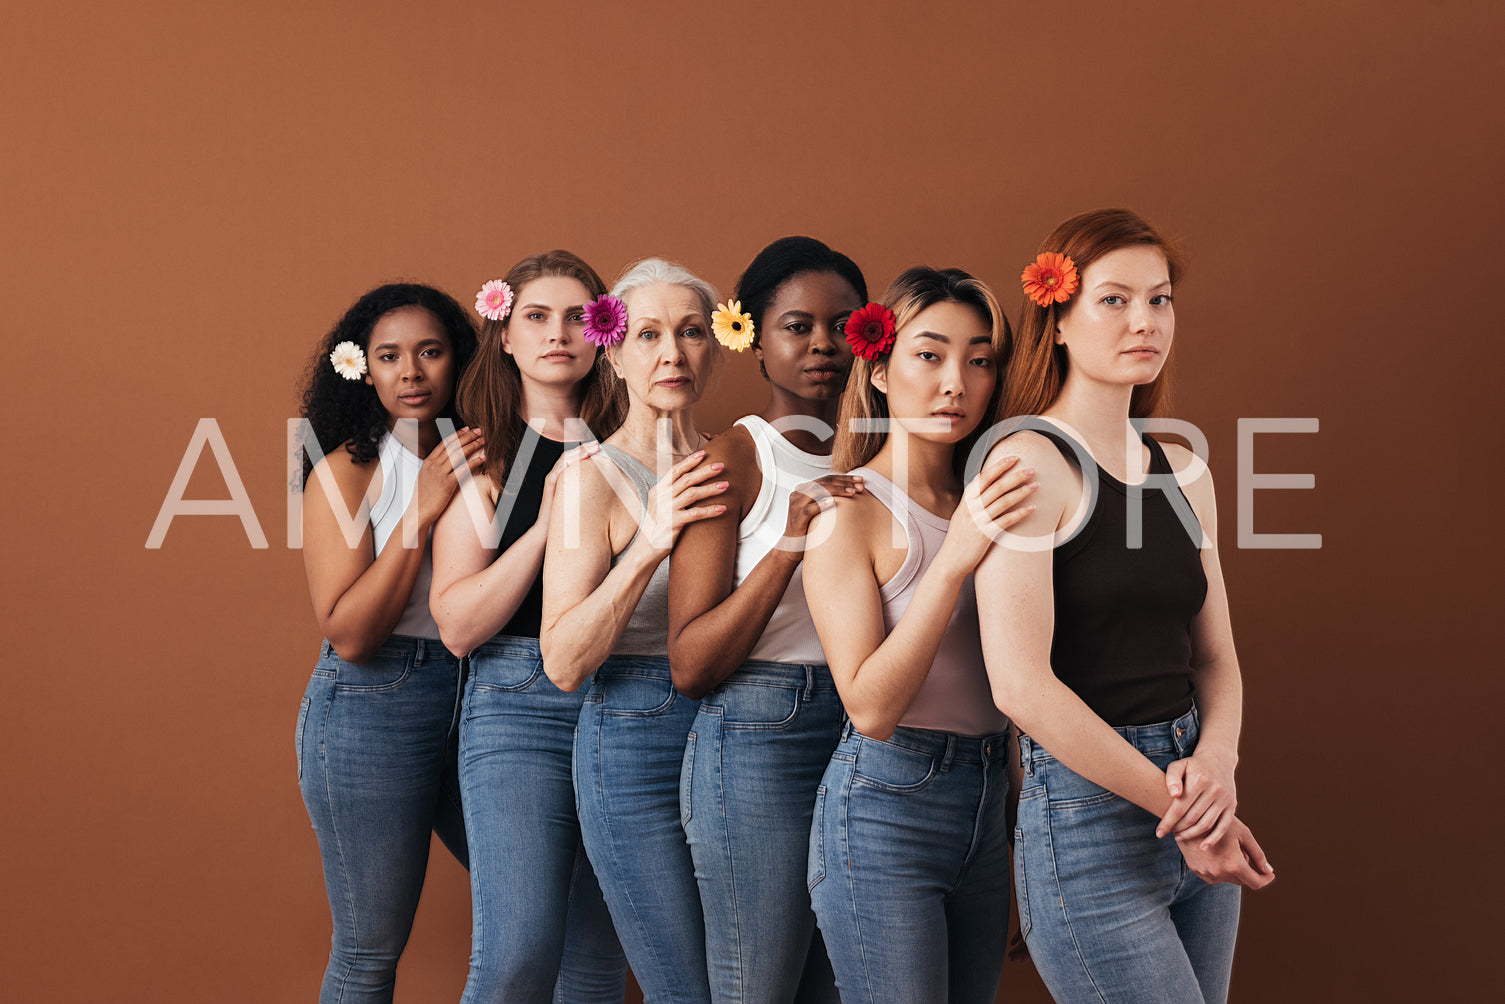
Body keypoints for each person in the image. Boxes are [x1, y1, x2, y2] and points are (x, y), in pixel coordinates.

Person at [976, 208, 1275, 1004]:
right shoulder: (1026, 461)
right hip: (1089, 820)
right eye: (1113, 300)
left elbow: (1214, 657)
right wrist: (1184, 809)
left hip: (1192, 792)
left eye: (1159, 299)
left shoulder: (1182, 467)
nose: (1143, 321)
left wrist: (1215, 767)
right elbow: (1020, 686)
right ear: (1060, 320)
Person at [801, 267, 1038, 1003]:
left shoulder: (995, 498)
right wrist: (952, 561)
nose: (955, 383)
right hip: (885, 807)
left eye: (979, 359)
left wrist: (1031, 843)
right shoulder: (850, 512)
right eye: (929, 355)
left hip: (988, 799)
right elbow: (869, 709)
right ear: (877, 369)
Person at [667, 236, 868, 1003]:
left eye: (843, 326)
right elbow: (689, 663)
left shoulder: (881, 459)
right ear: (750, 336)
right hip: (760, 737)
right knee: (758, 987)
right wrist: (787, 545)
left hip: (862, 733)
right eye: (796, 325)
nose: (822, 344)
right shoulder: (736, 457)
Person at [429, 251, 627, 1003]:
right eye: (536, 317)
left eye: (579, 316)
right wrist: (547, 523)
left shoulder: (633, 454)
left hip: (621, 702)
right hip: (518, 708)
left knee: (599, 965)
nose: (558, 334)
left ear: (605, 332)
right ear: (504, 336)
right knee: (517, 955)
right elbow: (457, 624)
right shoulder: (483, 457)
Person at [540, 258, 727, 1004]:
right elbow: (561, 659)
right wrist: (649, 539)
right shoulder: (594, 477)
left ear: (714, 347)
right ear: (612, 352)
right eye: (647, 335)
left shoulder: (732, 464)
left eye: (689, 333)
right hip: (633, 743)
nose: (671, 354)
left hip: (731, 730)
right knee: (683, 988)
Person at [294, 282, 482, 1003]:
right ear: (361, 369)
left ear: (457, 362)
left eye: (430, 352)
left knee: (551, 908)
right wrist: (423, 512)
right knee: (369, 951)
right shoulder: (347, 468)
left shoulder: (491, 452)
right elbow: (349, 632)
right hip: (375, 704)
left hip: (484, 697)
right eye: (390, 356)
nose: (411, 372)